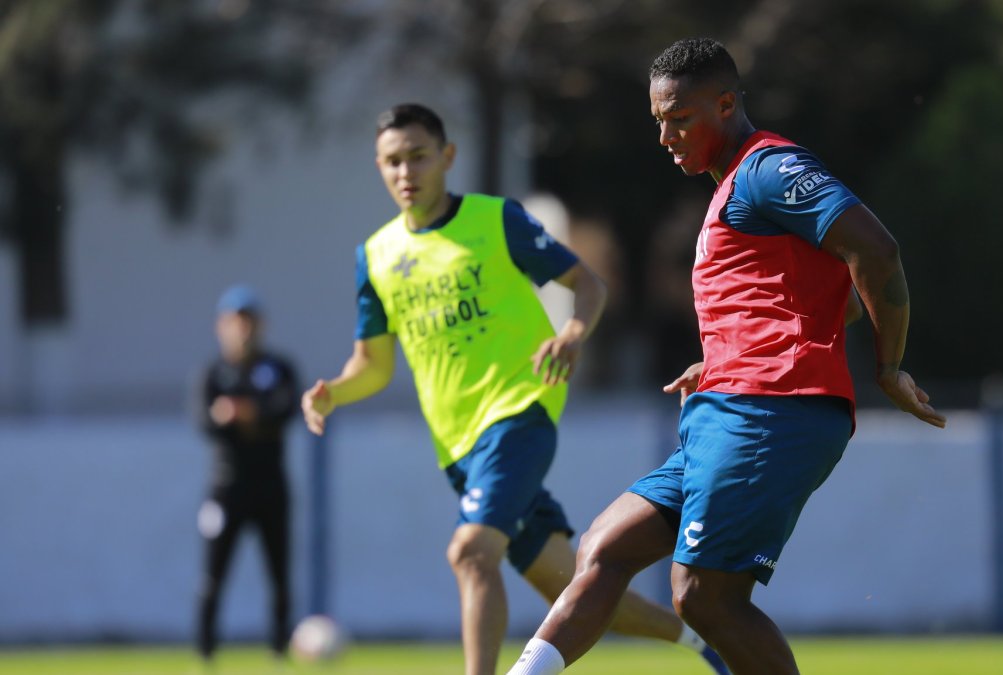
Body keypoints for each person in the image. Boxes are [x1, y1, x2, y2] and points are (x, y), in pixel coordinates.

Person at [506, 37, 945, 675]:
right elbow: (825, 302)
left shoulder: (770, 168)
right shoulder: (730, 189)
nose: (666, 137)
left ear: (726, 103)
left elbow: (876, 252)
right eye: (658, 121)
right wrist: (722, 360)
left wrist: (887, 365)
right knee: (605, 547)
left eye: (679, 119)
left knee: (705, 597)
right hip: (729, 404)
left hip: (773, 412)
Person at [300, 103, 728, 675]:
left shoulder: (495, 220)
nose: (407, 172)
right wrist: (334, 393)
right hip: (458, 449)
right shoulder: (375, 257)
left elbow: (588, 285)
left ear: (447, 157)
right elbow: (373, 365)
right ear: (379, 167)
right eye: (392, 161)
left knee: (470, 552)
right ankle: (705, 645)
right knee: (572, 591)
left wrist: (574, 332)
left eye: (418, 156)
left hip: (518, 413)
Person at [195, 285, 299, 661]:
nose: (243, 329)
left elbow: (284, 410)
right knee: (213, 575)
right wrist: (244, 416)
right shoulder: (213, 373)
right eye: (235, 321)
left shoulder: (278, 368)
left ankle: (279, 650)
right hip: (226, 487)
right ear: (221, 326)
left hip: (271, 485)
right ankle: (206, 653)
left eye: (249, 321)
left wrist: (245, 413)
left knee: (280, 575)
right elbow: (206, 422)